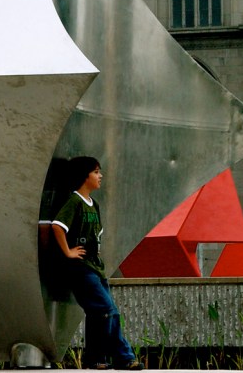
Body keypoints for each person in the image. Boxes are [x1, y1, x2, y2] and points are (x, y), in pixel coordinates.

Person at [51, 156, 144, 370]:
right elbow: (57, 226)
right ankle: (124, 358)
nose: (100, 176)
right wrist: (68, 252)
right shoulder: (74, 201)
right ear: (84, 176)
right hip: (81, 269)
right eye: (96, 172)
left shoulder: (94, 205)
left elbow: (97, 234)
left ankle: (95, 359)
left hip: (96, 267)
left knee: (98, 313)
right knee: (107, 309)